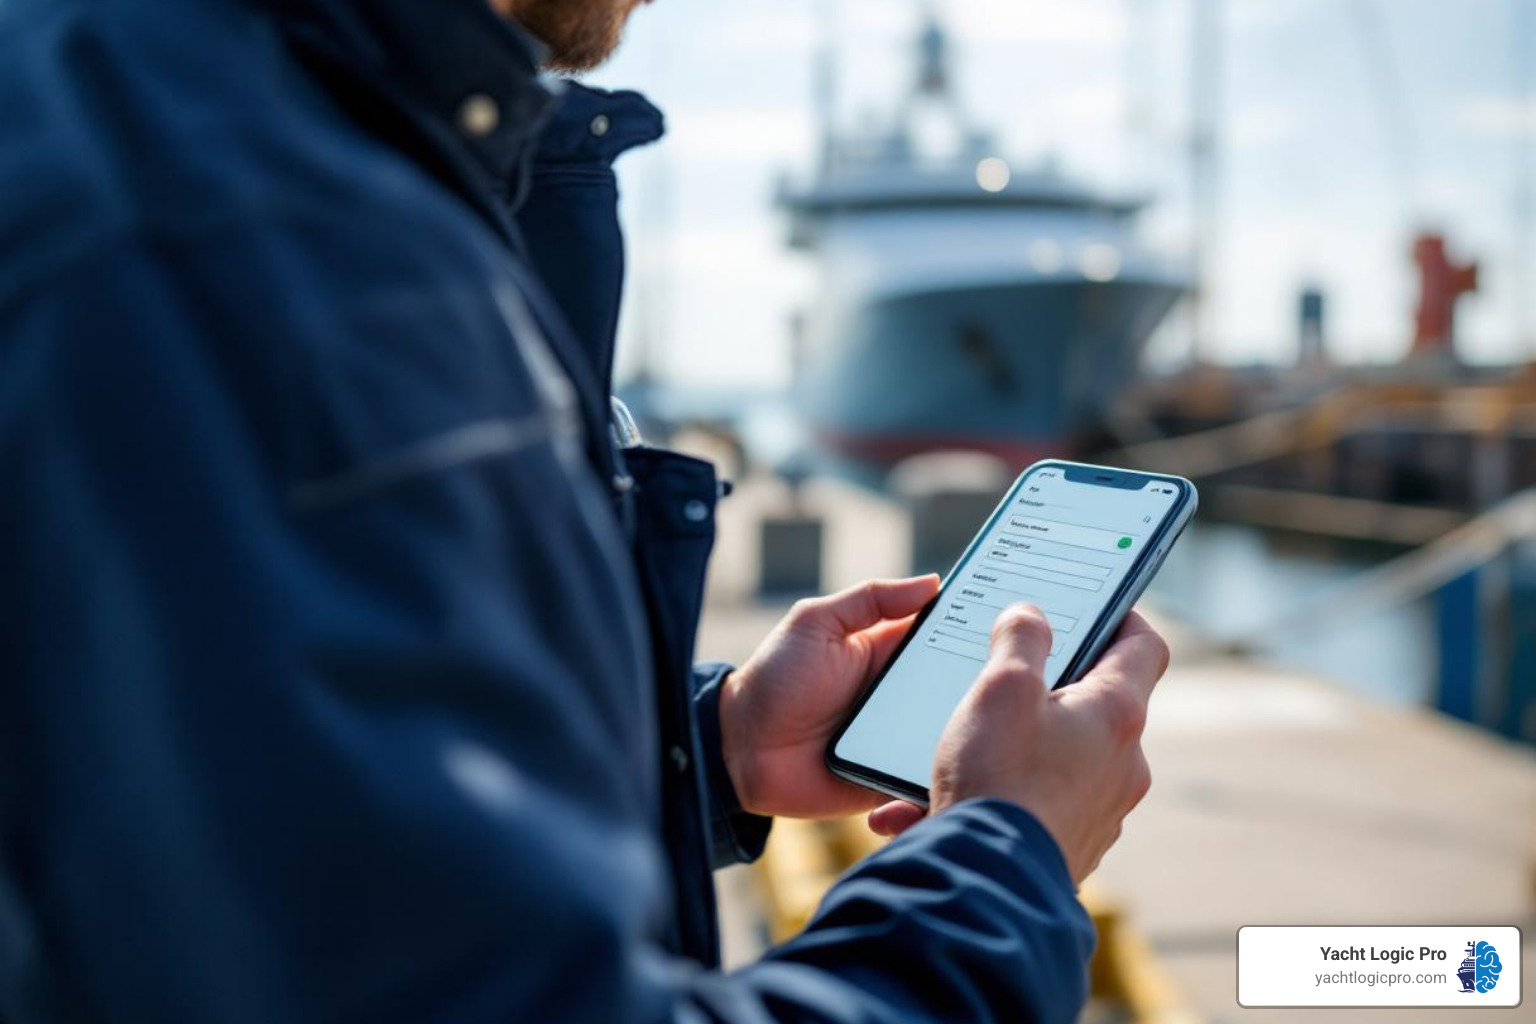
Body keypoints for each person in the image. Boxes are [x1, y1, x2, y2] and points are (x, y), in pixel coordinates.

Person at [0, 0, 1170, 1021]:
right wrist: (1005, 866)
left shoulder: (264, 143)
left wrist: (705, 752)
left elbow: (252, 825)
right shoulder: (243, 232)